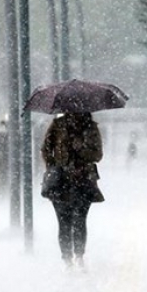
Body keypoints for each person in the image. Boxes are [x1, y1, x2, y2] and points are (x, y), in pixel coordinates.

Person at [41, 112, 104, 270]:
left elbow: (97, 155)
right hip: (60, 182)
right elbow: (46, 149)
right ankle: (67, 259)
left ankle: (79, 256)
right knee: (64, 221)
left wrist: (81, 148)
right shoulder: (57, 125)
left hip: (83, 180)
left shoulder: (91, 127)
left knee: (80, 220)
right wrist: (53, 167)